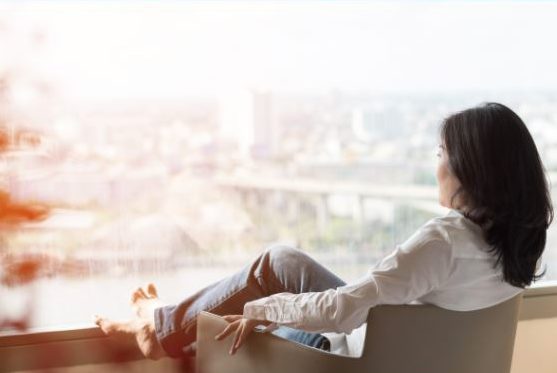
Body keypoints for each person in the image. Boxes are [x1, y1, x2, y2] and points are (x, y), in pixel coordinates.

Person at [95, 102, 553, 359]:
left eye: (440, 154)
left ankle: (158, 330)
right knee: (279, 262)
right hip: (418, 358)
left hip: (353, 359)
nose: (435, 165)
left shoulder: (443, 243)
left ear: (468, 170)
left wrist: (265, 309)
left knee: (251, 308)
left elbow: (343, 314)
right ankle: (162, 324)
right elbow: (370, 298)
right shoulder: (516, 243)